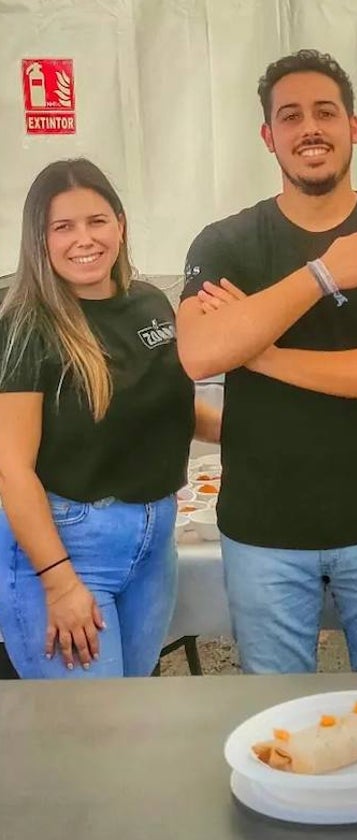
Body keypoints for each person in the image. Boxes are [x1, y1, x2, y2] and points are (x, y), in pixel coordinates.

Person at [175, 50, 357, 674]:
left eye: (326, 112)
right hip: (263, 530)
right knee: (274, 722)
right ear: (269, 137)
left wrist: (261, 352)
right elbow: (199, 354)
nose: (310, 128)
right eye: (291, 116)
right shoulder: (226, 243)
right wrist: (322, 274)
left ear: (354, 126)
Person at [0, 158, 220, 679]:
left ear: (120, 225)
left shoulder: (148, 304)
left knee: (130, 714)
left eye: (97, 221)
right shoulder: (25, 329)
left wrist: (262, 435)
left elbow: (172, 407)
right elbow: (11, 469)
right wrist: (59, 583)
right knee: (90, 736)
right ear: (40, 239)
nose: (84, 239)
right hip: (68, 547)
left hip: (154, 538)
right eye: (63, 226)